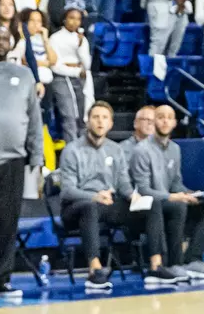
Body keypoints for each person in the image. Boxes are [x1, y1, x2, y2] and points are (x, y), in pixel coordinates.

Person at [59, 101, 175, 290]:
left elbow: (123, 183)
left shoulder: (116, 149)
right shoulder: (72, 150)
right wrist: (93, 196)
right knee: (89, 207)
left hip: (109, 203)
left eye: (104, 118)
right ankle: (94, 270)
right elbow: (68, 190)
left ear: (111, 124)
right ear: (88, 121)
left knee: (151, 204)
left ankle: (156, 266)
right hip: (77, 206)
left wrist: (133, 197)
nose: (100, 122)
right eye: (96, 117)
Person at [130, 105, 204, 280]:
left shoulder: (175, 149)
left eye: (169, 117)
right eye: (161, 116)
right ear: (154, 121)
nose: (165, 120)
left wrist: (189, 194)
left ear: (174, 123)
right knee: (178, 206)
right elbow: (143, 189)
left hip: (170, 199)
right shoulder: (141, 150)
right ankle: (175, 263)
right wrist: (173, 197)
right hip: (148, 205)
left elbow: (176, 182)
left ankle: (193, 259)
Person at [0, 25, 43, 300]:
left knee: (6, 225)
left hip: (12, 160)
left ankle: (0, 282)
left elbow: (35, 118)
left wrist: (37, 154)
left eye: (3, 38)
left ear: (11, 43)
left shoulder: (23, 75)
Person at [48, 6, 91, 141]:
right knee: (69, 116)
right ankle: (71, 149)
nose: (75, 22)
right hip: (61, 79)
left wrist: (79, 46)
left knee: (83, 116)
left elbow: (87, 64)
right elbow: (55, 66)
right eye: (71, 18)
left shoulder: (81, 39)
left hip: (80, 80)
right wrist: (76, 70)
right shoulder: (55, 38)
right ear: (64, 19)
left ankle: (84, 148)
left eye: (78, 19)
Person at [119, 105, 155, 172]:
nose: (150, 123)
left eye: (153, 121)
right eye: (146, 119)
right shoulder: (121, 149)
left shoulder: (160, 149)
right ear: (135, 123)